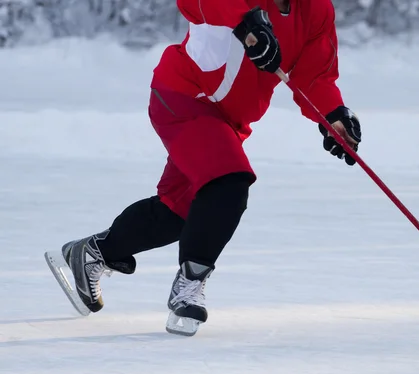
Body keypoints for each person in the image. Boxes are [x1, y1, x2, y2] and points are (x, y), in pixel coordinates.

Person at [55, 0, 363, 336]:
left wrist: (333, 115)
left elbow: (314, 77)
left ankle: (92, 253)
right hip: (185, 96)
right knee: (229, 184)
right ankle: (189, 286)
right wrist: (245, 22)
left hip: (228, 123)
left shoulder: (316, 10)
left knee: (177, 214)